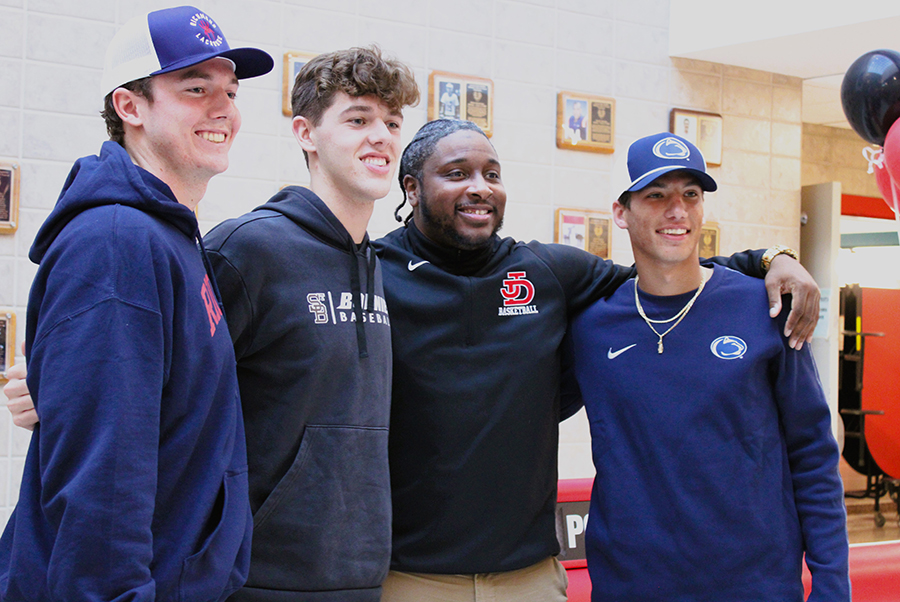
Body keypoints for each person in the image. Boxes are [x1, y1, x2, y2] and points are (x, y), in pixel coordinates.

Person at [372, 119, 821, 601]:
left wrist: (772, 257)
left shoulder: (548, 271)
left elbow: (663, 269)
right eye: (458, 174)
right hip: (410, 573)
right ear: (412, 189)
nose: (480, 188)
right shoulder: (371, 271)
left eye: (492, 174)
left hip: (528, 574)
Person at [0, 6, 273, 601]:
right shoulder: (118, 243)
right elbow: (103, 481)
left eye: (228, 90)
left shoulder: (167, 234)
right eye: (195, 89)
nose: (222, 107)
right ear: (130, 107)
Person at [565, 133, 849, 601]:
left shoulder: (767, 309)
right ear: (620, 212)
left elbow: (813, 457)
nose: (677, 210)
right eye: (656, 195)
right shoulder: (591, 326)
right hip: (630, 587)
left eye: (691, 195)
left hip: (755, 587)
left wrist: (832, 588)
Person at [202, 47, 419, 601]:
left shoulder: (377, 262)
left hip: (360, 576)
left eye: (392, 122)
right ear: (305, 133)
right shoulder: (246, 250)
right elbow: (164, 387)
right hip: (255, 578)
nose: (382, 136)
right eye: (358, 119)